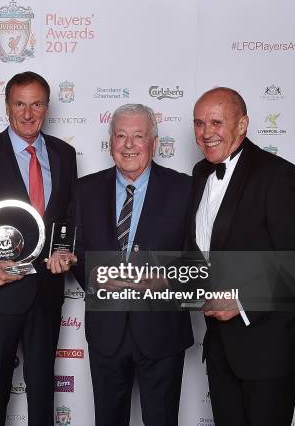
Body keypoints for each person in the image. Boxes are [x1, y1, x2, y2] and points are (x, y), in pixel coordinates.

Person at [189, 87, 295, 426]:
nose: (206, 133)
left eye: (216, 122)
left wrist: (241, 300)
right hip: (221, 346)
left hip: (270, 344)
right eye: (199, 123)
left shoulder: (277, 175)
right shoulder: (201, 173)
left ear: (242, 124)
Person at [0, 71, 77, 426]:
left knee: (43, 393)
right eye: (20, 104)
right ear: (7, 106)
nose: (28, 113)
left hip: (46, 292)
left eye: (36, 104)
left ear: (47, 107)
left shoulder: (64, 154)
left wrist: (64, 251)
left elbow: (67, 216)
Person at [68, 104, 193, 426]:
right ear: (110, 142)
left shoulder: (185, 189)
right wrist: (94, 277)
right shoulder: (85, 190)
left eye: (138, 136)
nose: (128, 145)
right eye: (121, 136)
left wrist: (166, 280)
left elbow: (197, 253)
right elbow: (75, 250)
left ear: (154, 142)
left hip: (162, 332)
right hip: (107, 333)